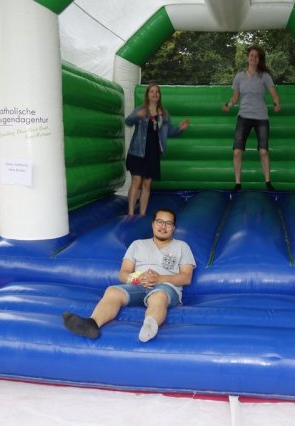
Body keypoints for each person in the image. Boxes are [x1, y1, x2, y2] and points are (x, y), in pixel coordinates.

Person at [62, 208, 196, 342]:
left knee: (158, 296)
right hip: (139, 285)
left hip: (166, 287)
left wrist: (159, 279)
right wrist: (138, 278)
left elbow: (186, 277)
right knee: (112, 291)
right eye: (159, 222)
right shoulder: (137, 245)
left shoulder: (181, 246)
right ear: (153, 224)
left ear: (174, 228)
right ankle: (93, 324)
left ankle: (150, 327)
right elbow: (123, 274)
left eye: (168, 223)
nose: (163, 226)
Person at [222, 45, 281, 192]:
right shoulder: (239, 77)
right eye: (251, 55)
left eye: (256, 56)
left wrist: (277, 103)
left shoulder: (264, 76)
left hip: (261, 117)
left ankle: (268, 182)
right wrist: (228, 105)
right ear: (248, 58)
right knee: (237, 151)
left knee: (263, 151)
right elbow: (235, 98)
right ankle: (237, 183)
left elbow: (274, 94)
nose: (253, 58)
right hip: (244, 116)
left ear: (259, 59)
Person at [125, 84, 190, 216]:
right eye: (152, 91)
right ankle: (130, 214)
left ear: (159, 95)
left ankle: (142, 214)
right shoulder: (141, 110)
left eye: (157, 92)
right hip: (137, 151)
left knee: (147, 184)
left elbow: (169, 132)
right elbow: (128, 121)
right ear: (147, 95)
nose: (155, 94)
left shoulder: (164, 114)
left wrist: (180, 129)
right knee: (136, 181)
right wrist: (137, 115)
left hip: (153, 153)